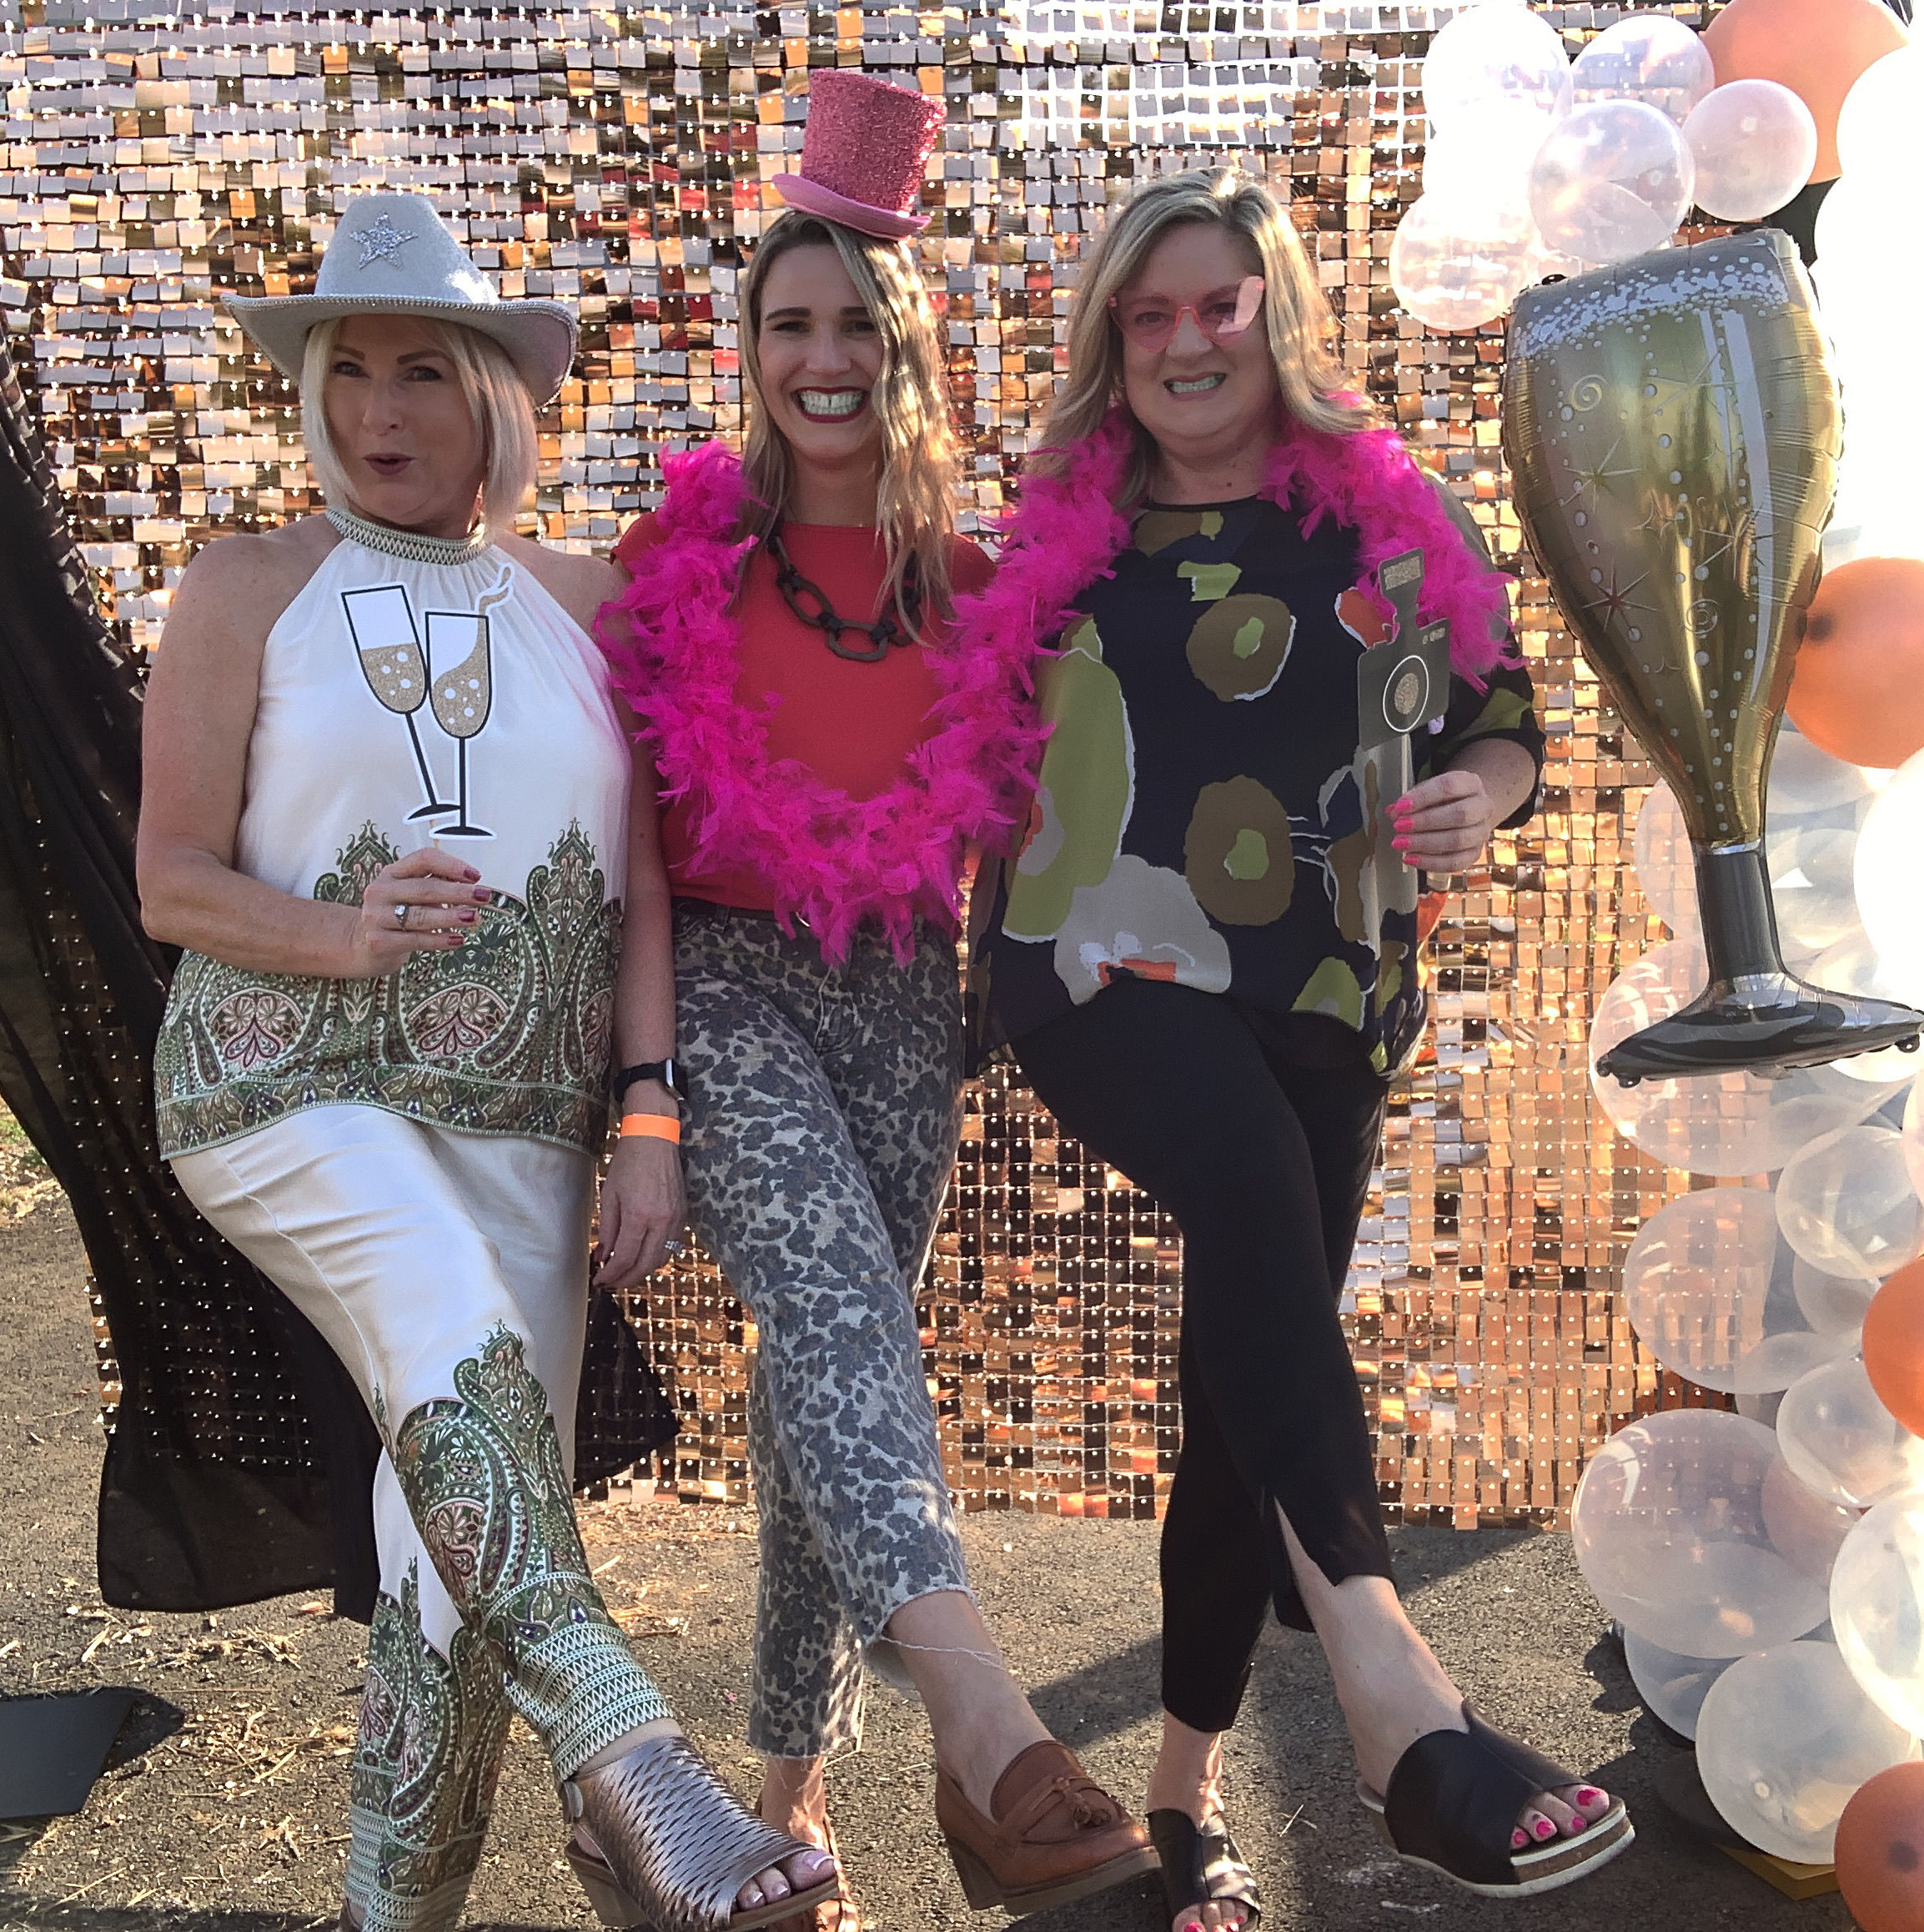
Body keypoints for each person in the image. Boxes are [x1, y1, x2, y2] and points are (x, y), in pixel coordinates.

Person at [138, 190, 837, 1932]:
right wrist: (344, 937)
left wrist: (650, 1117)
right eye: (347, 370)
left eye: (420, 373)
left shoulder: (587, 601)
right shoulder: (246, 586)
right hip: (289, 1088)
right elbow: (170, 878)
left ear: (493, 399)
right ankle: (636, 1769)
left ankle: (397, 1915)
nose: (378, 410)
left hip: (529, 1136)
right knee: (463, 1361)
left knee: (450, 1563)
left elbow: (649, 885)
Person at [959, 167, 1632, 1929]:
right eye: (1149, 312)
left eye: (1216, 306)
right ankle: (1392, 1693)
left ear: (1275, 315)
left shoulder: (1391, 527)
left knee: (1242, 1394)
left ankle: (1184, 1809)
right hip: (1089, 961)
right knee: (1249, 1203)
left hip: (1326, 987)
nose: (1184, 340)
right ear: (1114, 336)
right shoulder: (1057, 534)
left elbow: (1503, 728)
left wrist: (1470, 808)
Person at [605, 73, 1153, 1930]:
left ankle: (784, 1795)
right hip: (735, 984)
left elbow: (1099, 767)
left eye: (854, 322)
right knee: (845, 1327)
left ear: (903, 347)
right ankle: (983, 1728)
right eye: (787, 322)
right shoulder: (670, 575)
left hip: (908, 1000)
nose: (817, 357)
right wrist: (652, 1101)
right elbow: (633, 858)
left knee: (816, 1404)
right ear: (749, 345)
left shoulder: (985, 597)